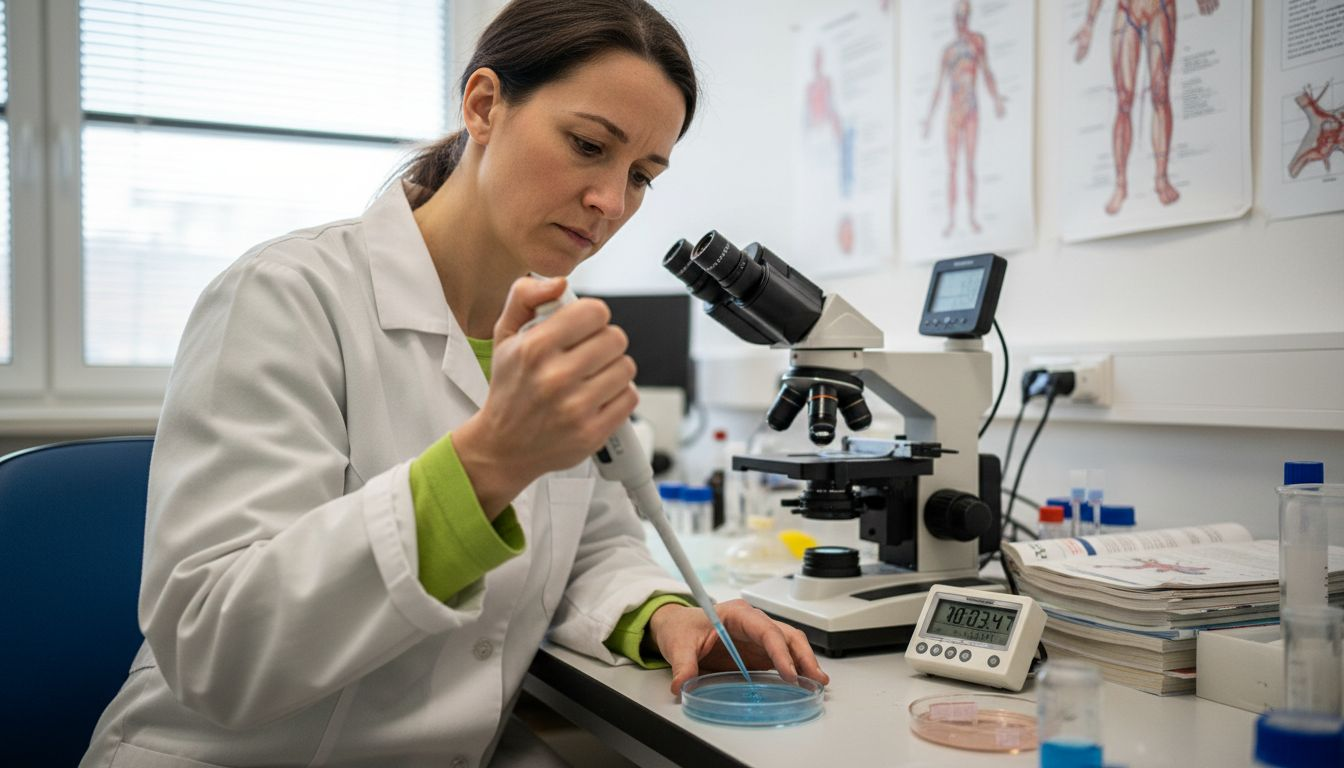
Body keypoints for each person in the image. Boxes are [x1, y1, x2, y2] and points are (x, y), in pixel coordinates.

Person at [79, 1, 827, 766]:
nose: (611, 201)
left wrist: (666, 616)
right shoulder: (286, 295)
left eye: (641, 175)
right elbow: (215, 647)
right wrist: (486, 466)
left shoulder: (550, 334)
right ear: (484, 106)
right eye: (587, 145)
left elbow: (591, 548)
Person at [1071, 0, 1219, 215]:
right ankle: (1120, 184)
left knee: (1160, 94)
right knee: (1123, 100)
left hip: (1161, 7)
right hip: (1127, 9)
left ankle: (1161, 178)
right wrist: (1089, 22)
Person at [921, 0, 1006, 237]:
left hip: (971, 110)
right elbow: (938, 87)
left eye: (964, 15)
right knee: (952, 167)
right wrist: (928, 118)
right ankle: (950, 219)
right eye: (957, 16)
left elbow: (987, 72)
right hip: (952, 113)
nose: (961, 20)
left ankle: (971, 216)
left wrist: (997, 98)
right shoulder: (948, 51)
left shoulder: (977, 42)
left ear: (969, 16)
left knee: (969, 166)